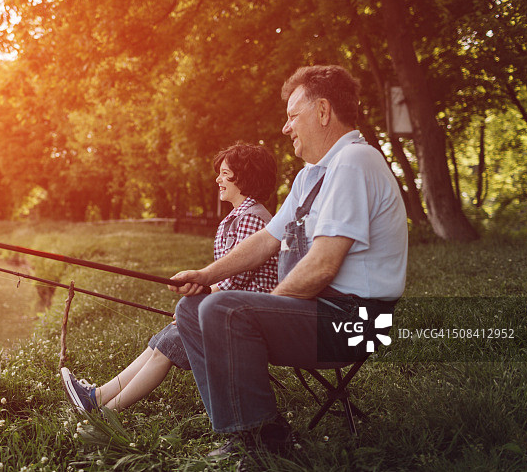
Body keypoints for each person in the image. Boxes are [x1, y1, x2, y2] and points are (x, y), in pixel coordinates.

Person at [169, 65, 408, 465]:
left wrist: (260, 311)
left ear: (323, 111)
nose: (285, 127)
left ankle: (265, 442)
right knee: (192, 309)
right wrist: (206, 276)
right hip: (324, 312)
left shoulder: (354, 162)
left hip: (356, 322)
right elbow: (265, 240)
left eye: (293, 115)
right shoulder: (311, 176)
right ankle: (241, 430)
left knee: (225, 310)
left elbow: (323, 265)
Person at [61, 142, 279, 414]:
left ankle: (106, 412)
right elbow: (227, 280)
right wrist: (196, 303)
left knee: (172, 341)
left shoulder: (252, 218)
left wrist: (199, 305)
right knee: (166, 338)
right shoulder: (235, 219)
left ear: (244, 177)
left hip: (247, 317)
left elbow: (237, 279)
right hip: (231, 307)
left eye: (225, 174)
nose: (217, 179)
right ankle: (96, 397)